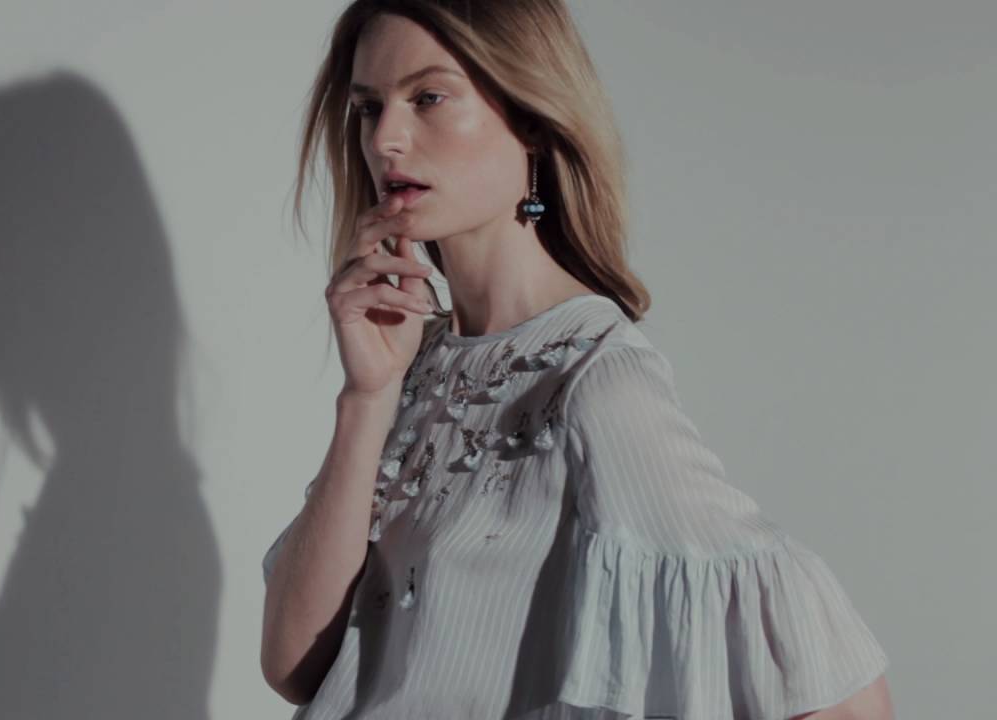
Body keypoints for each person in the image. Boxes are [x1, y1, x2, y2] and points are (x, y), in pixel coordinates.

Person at [260, 2, 894, 718]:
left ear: (529, 113)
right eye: (370, 108)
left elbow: (844, 697)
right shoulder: (410, 362)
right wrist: (367, 397)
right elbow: (295, 667)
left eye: (428, 97)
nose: (387, 140)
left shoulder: (594, 380)